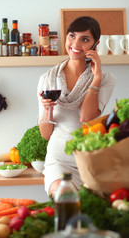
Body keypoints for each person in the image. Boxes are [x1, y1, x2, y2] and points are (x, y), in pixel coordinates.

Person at [37, 16, 116, 197]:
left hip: (91, 162)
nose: (76, 43)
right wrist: (48, 108)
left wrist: (95, 79)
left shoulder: (105, 78)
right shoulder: (47, 79)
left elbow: (86, 118)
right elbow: (45, 133)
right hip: (59, 161)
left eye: (85, 39)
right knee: (64, 198)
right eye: (72, 36)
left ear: (95, 44)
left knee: (92, 219)